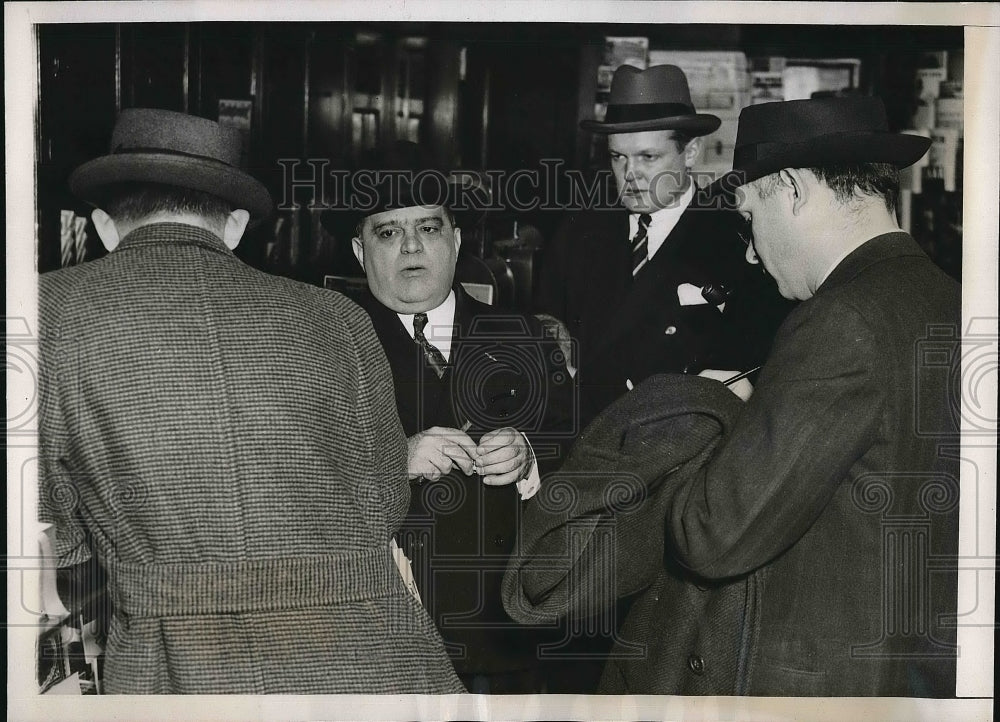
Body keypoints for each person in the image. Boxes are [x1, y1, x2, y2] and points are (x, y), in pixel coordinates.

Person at [504, 96, 960, 696]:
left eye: (748, 218)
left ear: (793, 189)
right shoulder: (946, 297)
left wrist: (704, 417)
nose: (748, 249)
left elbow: (711, 536)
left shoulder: (837, 322)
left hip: (814, 678)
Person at [37, 108, 463, 694]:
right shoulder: (339, 318)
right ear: (237, 226)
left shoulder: (45, 313)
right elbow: (383, 502)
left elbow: (45, 532)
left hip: (179, 663)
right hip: (370, 655)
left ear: (105, 227)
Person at [326, 142, 574, 693]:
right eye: (387, 233)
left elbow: (581, 459)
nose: (411, 247)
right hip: (381, 642)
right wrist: (397, 460)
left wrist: (529, 457)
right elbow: (299, 485)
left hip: (504, 638)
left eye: (429, 229)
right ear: (358, 251)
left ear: (456, 240)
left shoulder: (524, 337)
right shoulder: (329, 349)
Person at [537, 64, 792, 425]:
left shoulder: (737, 238)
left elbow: (762, 364)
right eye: (618, 157)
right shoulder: (579, 231)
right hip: (585, 441)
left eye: (648, 157)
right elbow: (546, 323)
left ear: (690, 153)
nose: (630, 175)